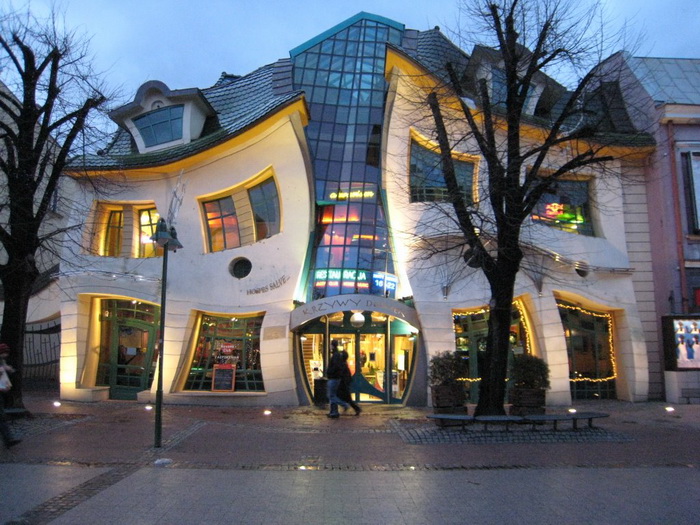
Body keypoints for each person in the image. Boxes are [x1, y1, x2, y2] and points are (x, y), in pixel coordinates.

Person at [0, 343, 21, 449]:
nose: (6, 355)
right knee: (1, 417)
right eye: (4, 352)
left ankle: (8, 439)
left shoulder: (2, 362)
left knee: (1, 417)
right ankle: (8, 439)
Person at [325, 348, 349, 418]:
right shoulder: (337, 357)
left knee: (331, 396)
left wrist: (329, 372)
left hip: (333, 378)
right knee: (332, 395)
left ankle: (344, 404)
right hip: (335, 378)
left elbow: (334, 368)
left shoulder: (335, 356)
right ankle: (334, 412)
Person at [338, 351, 361, 416]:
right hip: (344, 383)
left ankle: (355, 408)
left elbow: (344, 374)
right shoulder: (344, 364)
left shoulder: (343, 364)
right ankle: (353, 408)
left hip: (344, 383)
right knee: (347, 398)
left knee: (346, 398)